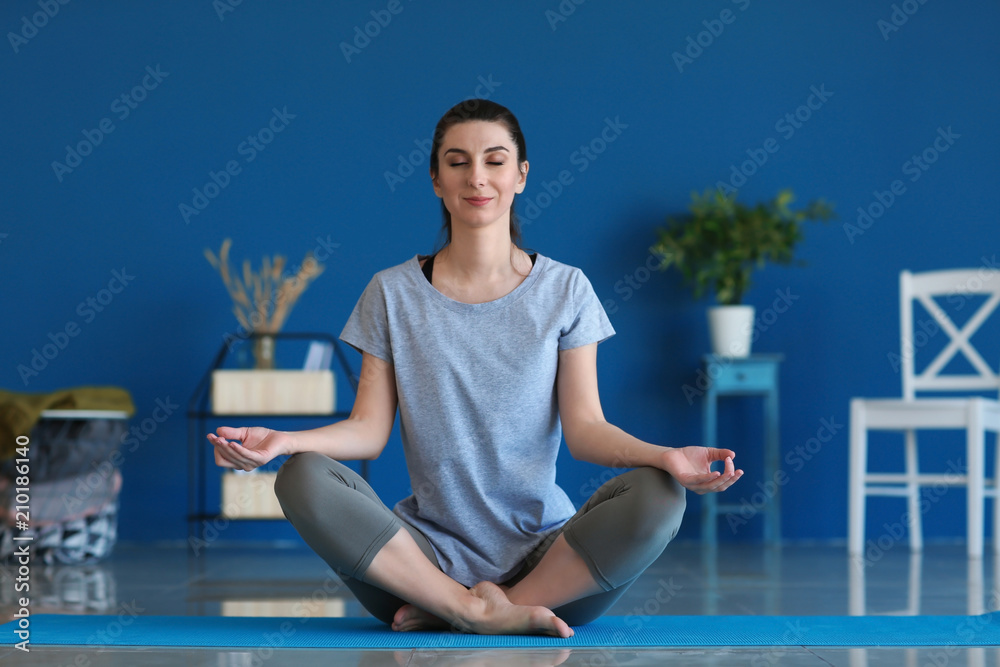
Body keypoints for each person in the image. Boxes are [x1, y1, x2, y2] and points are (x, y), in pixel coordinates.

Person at [207, 99, 743, 639]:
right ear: (436, 179)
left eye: (495, 160)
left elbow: (586, 431)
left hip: (549, 568)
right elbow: (368, 431)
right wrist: (282, 441)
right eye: (458, 161)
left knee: (660, 492)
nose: (477, 177)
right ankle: (470, 609)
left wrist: (667, 457)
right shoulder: (390, 292)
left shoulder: (566, 290)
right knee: (302, 474)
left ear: (521, 175)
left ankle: (486, 609)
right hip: (419, 567)